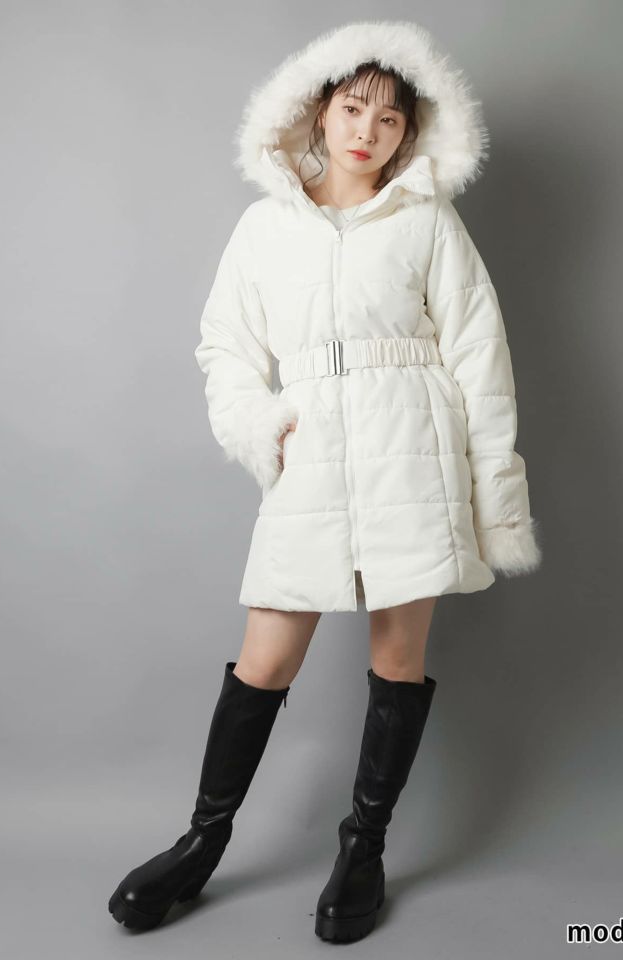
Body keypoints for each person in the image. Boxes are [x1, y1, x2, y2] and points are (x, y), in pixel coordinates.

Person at [108, 19, 542, 942]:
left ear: (410, 132)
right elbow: (226, 348)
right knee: (265, 660)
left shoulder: (429, 221)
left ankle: (364, 847)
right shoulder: (265, 226)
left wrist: (493, 491)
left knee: (398, 659)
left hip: (414, 453)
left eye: (389, 119)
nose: (366, 132)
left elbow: (480, 355)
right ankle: (202, 841)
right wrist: (261, 426)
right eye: (352, 109)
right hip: (312, 458)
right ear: (318, 109)